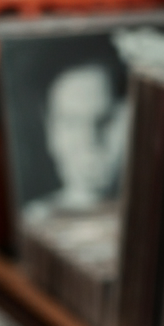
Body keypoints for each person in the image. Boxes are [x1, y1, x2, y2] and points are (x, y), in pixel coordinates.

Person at [23, 62, 128, 222]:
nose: (89, 140)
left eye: (105, 121)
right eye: (71, 123)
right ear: (50, 130)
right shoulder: (34, 221)